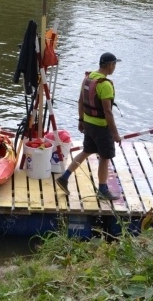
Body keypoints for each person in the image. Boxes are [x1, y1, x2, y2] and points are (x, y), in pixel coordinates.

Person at [56, 52, 122, 200]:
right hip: (101, 127)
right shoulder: (105, 85)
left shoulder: (88, 78)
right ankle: (103, 190)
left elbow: (80, 101)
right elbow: (108, 112)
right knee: (105, 157)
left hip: (88, 124)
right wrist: (115, 133)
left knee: (86, 151)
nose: (115, 68)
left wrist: (81, 120)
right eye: (115, 64)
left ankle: (64, 177)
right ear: (110, 65)